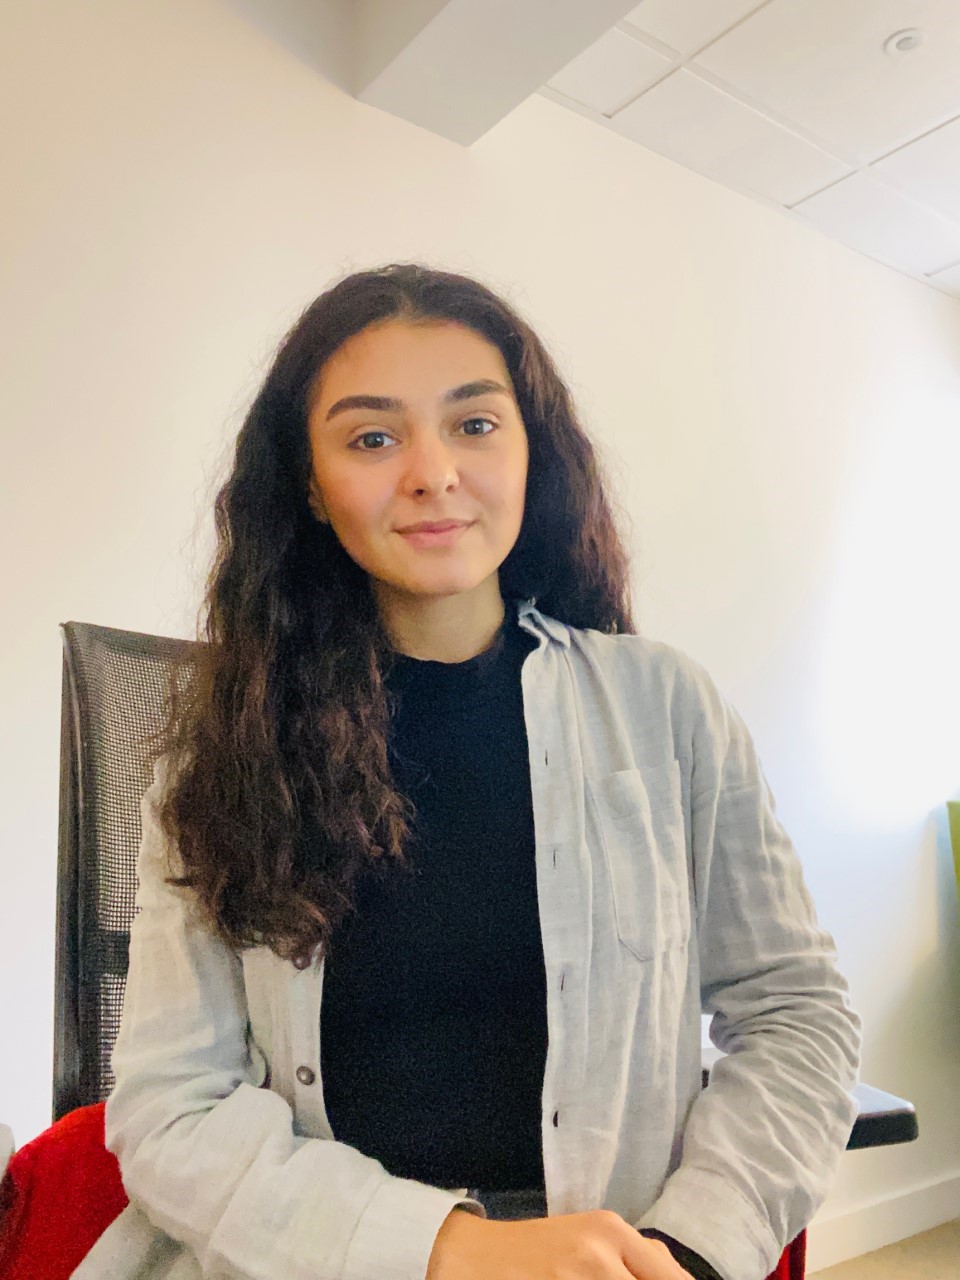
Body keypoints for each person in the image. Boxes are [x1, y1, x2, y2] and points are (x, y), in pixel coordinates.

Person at [72, 263, 862, 1280]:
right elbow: (172, 1106)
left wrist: (690, 1246)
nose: (433, 472)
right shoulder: (218, 756)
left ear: (533, 452)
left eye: (475, 424)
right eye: (372, 438)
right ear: (309, 484)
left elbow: (796, 1012)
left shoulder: (665, 707)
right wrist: (453, 1249)